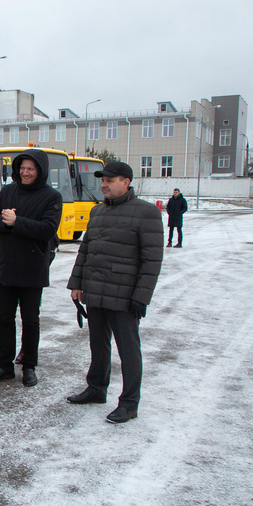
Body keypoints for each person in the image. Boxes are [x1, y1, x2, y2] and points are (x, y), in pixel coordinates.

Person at [66, 161, 164, 424]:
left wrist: (141, 297)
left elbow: (152, 260)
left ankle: (130, 403)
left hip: (125, 297)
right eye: (103, 180)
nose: (104, 184)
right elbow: (85, 250)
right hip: (95, 291)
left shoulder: (146, 213)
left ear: (126, 182)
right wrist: (76, 283)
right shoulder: (97, 212)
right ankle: (96, 388)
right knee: (98, 345)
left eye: (110, 180)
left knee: (128, 351)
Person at [0, 149, 62, 388]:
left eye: (30, 169)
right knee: (4, 319)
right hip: (6, 266)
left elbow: (48, 229)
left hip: (32, 268)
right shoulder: (8, 191)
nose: (25, 173)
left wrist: (17, 222)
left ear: (40, 171)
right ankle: (5, 366)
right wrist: (7, 224)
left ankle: (29, 366)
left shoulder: (51, 197)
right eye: (22, 168)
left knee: (30, 321)